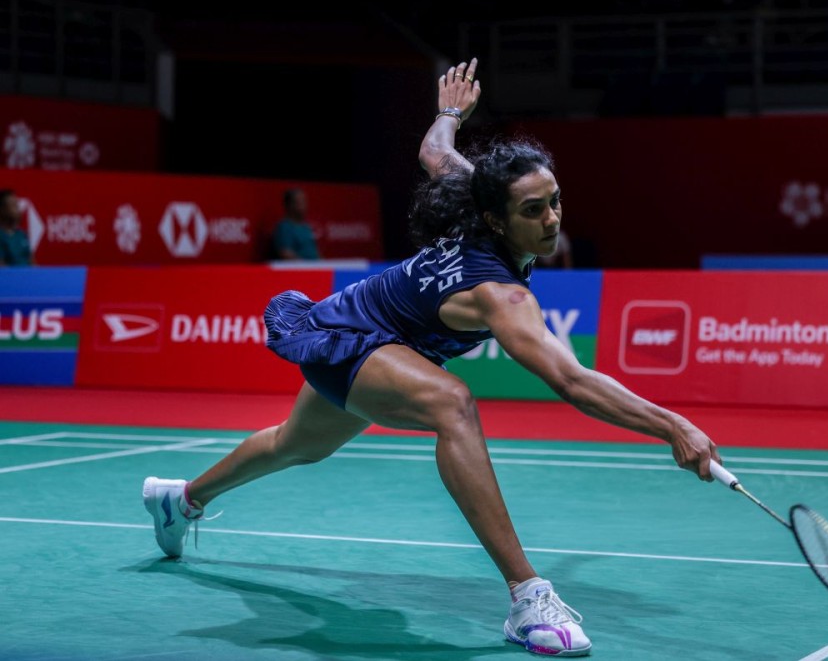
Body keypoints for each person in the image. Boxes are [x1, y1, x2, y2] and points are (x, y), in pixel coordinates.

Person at [142, 58, 721, 658]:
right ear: (496, 218)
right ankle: (528, 597)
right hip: (350, 337)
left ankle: (180, 500)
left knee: (297, 444)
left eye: (555, 202)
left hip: (366, 336)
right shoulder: (501, 295)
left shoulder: (484, 194)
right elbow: (571, 381)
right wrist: (673, 426)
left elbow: (434, 150)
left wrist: (449, 112)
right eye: (533, 210)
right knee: (453, 403)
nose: (551, 220)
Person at [271, 187, 320, 260]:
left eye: (304, 201)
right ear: (289, 205)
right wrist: (306, 265)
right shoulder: (284, 228)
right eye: (299, 202)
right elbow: (285, 253)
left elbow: (315, 252)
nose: (304, 206)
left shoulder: (306, 227)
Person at [0, 189, 33, 266]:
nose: (17, 210)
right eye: (13, 205)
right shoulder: (1, 236)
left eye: (17, 205)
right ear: (2, 209)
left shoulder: (22, 235)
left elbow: (32, 262)